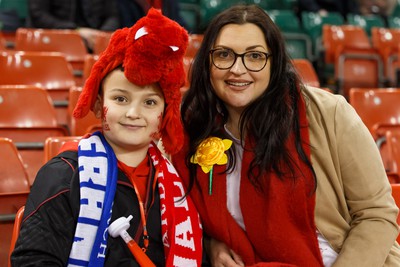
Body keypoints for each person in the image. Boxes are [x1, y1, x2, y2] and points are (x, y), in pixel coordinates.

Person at [172, 4, 400, 266]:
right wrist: (210, 246)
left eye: (255, 56)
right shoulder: (191, 129)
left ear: (274, 62)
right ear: (207, 62)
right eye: (224, 54)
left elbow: (376, 215)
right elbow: (182, 219)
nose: (237, 68)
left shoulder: (330, 114)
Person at [11, 8, 203, 267]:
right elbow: (32, 260)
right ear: (100, 104)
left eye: (149, 102)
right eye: (120, 99)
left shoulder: (178, 181)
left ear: (164, 112)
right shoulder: (63, 175)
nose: (133, 113)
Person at [27, 0, 120, 52]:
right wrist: (76, 31)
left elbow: (112, 16)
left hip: (95, 40)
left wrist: (101, 35)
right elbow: (38, 14)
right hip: (56, 42)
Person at [117, 0, 188, 30]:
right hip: (140, 45)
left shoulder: (169, 1)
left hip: (166, 44)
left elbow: (178, 20)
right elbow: (127, 26)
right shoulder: (126, 2)